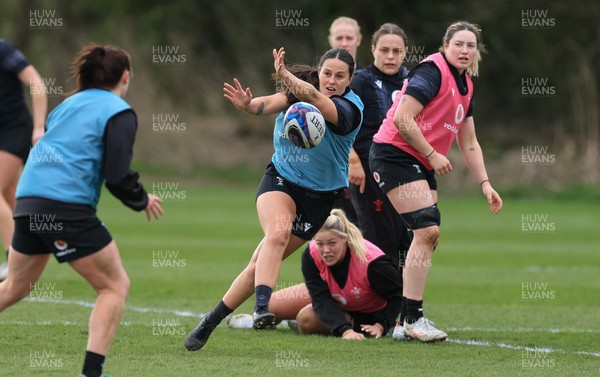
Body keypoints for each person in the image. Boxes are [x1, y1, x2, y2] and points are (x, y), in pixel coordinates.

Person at [0, 44, 164, 377]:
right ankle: (91, 373)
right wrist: (140, 198)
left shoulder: (65, 106)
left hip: (28, 201)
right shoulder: (119, 111)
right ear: (125, 77)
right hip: (65, 207)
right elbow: (116, 174)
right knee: (114, 286)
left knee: (14, 287)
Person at [185, 46, 364, 351]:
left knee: (259, 263)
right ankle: (262, 308)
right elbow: (270, 103)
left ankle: (209, 321)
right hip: (281, 179)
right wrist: (248, 105)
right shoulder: (299, 87)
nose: (332, 80)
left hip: (319, 198)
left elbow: (317, 99)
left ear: (350, 79)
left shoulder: (350, 109)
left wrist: (286, 77)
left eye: (340, 76)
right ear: (318, 72)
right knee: (277, 234)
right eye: (327, 73)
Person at [370, 21, 503, 342]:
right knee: (428, 229)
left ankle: (404, 321)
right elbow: (402, 118)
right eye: (459, 44)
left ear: (476, 52)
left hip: (417, 160)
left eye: (471, 46)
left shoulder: (467, 85)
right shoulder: (432, 71)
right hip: (393, 153)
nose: (465, 50)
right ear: (445, 46)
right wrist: (432, 154)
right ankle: (413, 318)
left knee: (425, 234)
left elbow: (469, 142)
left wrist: (485, 183)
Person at [229, 209, 403, 340]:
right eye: (320, 243)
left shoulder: (373, 263)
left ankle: (302, 322)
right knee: (270, 306)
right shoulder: (312, 254)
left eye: (332, 243)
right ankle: (259, 322)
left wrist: (379, 325)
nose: (326, 250)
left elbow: (397, 293)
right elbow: (320, 297)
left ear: (345, 239)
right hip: (333, 295)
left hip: (363, 311)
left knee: (306, 319)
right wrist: (343, 329)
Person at [348, 23, 412, 271]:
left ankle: (409, 307)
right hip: (369, 169)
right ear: (373, 49)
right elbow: (340, 124)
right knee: (377, 238)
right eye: (384, 50)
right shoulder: (361, 81)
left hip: (405, 171)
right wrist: (352, 159)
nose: (390, 56)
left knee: (409, 238)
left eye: (397, 51)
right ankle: (374, 304)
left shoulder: (413, 81)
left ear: (405, 52)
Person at [0, 39, 48, 282]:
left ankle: (13, 260)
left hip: (14, 131)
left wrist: (39, 126)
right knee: (10, 195)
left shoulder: (4, 50)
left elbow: (37, 85)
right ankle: (32, 252)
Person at [327, 16, 363, 225]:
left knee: (363, 232)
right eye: (339, 37)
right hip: (334, 166)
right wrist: (353, 159)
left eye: (349, 37)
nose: (344, 42)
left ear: (358, 40)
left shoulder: (366, 78)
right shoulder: (323, 80)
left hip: (367, 168)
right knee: (329, 230)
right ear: (330, 40)